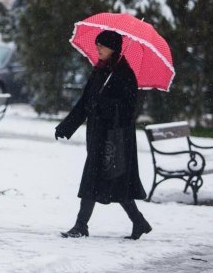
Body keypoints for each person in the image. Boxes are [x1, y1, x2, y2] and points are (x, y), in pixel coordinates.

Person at [54, 30, 152, 240]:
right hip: (98, 135)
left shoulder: (124, 73)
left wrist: (104, 105)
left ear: (114, 48)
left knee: (108, 180)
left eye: (102, 45)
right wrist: (66, 127)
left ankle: (81, 225)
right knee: (107, 180)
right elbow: (84, 103)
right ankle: (139, 222)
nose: (98, 48)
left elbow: (128, 109)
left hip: (116, 138)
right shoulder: (99, 72)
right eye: (97, 44)